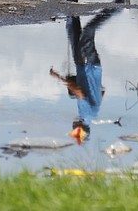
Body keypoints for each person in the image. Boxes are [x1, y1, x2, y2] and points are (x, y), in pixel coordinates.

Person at [50, 8, 119, 144]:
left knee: (72, 30)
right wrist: (58, 77)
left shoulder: (92, 115)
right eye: (75, 129)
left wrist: (93, 87)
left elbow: (102, 92)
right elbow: (79, 92)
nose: (73, 126)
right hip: (89, 65)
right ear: (81, 129)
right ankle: (117, 8)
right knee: (88, 31)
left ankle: (71, 2)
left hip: (84, 66)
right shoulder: (86, 115)